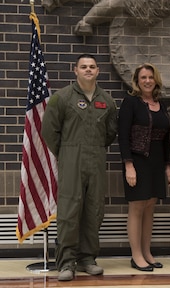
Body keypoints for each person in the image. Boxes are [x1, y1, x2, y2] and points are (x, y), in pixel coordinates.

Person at [41, 54, 118, 281]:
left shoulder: (108, 100)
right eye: (83, 66)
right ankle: (66, 262)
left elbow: (110, 133)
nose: (88, 70)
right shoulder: (61, 98)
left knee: (94, 211)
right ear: (75, 70)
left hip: (96, 159)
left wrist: (94, 149)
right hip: (71, 159)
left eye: (92, 67)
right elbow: (49, 131)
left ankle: (88, 259)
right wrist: (66, 153)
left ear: (98, 71)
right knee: (69, 212)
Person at [117, 63, 170, 272]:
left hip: (157, 162)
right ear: (137, 81)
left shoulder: (161, 104)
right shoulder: (130, 102)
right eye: (143, 78)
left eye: (150, 77)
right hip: (137, 161)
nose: (147, 81)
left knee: (150, 207)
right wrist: (128, 165)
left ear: (156, 80)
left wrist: (168, 166)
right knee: (137, 207)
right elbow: (123, 136)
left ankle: (147, 252)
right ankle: (136, 255)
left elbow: (167, 139)